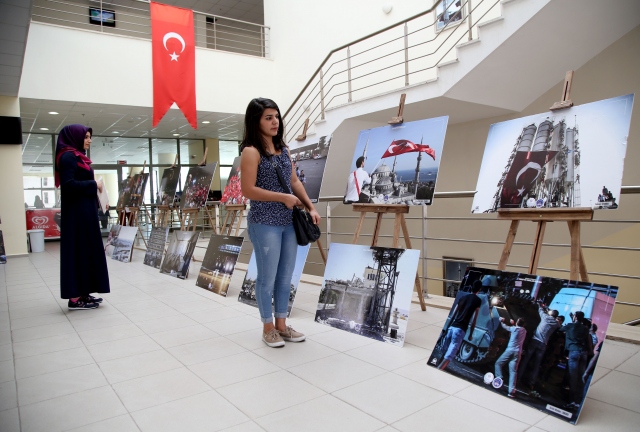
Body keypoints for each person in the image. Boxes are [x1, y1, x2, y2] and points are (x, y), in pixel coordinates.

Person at [240, 97, 320, 348]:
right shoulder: (251, 152)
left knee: (285, 277)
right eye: (268, 118)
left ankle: (282, 326)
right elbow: (248, 190)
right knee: (267, 278)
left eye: (276, 117)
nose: (275, 122)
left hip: (288, 222)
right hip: (264, 222)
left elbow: (294, 181)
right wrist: (282, 197)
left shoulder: (284, 149)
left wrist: (310, 206)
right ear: (256, 121)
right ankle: (268, 328)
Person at [55, 124, 110, 310]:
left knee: (86, 252)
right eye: (85, 137)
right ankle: (74, 298)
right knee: (77, 252)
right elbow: (68, 185)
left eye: (89, 137)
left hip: (85, 214)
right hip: (76, 217)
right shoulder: (68, 157)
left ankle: (83, 292)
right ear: (74, 137)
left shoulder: (77, 156)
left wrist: (100, 198)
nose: (89, 140)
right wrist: (93, 184)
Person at [438, 280, 482, 370]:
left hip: (451, 328)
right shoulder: (477, 300)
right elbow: (474, 320)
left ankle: (437, 365)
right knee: (449, 355)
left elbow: (453, 315)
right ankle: (439, 369)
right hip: (460, 330)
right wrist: (470, 334)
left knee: (444, 350)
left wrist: (447, 328)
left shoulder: (462, 298)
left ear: (471, 287)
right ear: (479, 289)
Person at [518, 306, 560, 396]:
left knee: (526, 359)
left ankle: (518, 377)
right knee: (537, 364)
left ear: (551, 314)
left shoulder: (545, 317)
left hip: (535, 340)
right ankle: (531, 383)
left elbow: (540, 309)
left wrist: (544, 308)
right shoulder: (556, 324)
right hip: (543, 344)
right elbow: (559, 325)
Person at [559, 311, 593, 409]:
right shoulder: (585, 329)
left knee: (573, 378)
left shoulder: (570, 326)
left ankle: (572, 401)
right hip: (583, 354)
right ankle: (578, 402)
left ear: (575, 317)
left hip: (573, 352)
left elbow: (560, 329)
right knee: (580, 378)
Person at [494, 317, 527, 398]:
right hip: (518, 353)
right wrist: (514, 323)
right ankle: (511, 392)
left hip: (510, 351)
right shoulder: (524, 331)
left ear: (517, 323)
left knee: (498, 363)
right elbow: (518, 327)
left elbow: (505, 327)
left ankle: (499, 379)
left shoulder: (513, 329)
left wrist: (501, 321)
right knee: (513, 372)